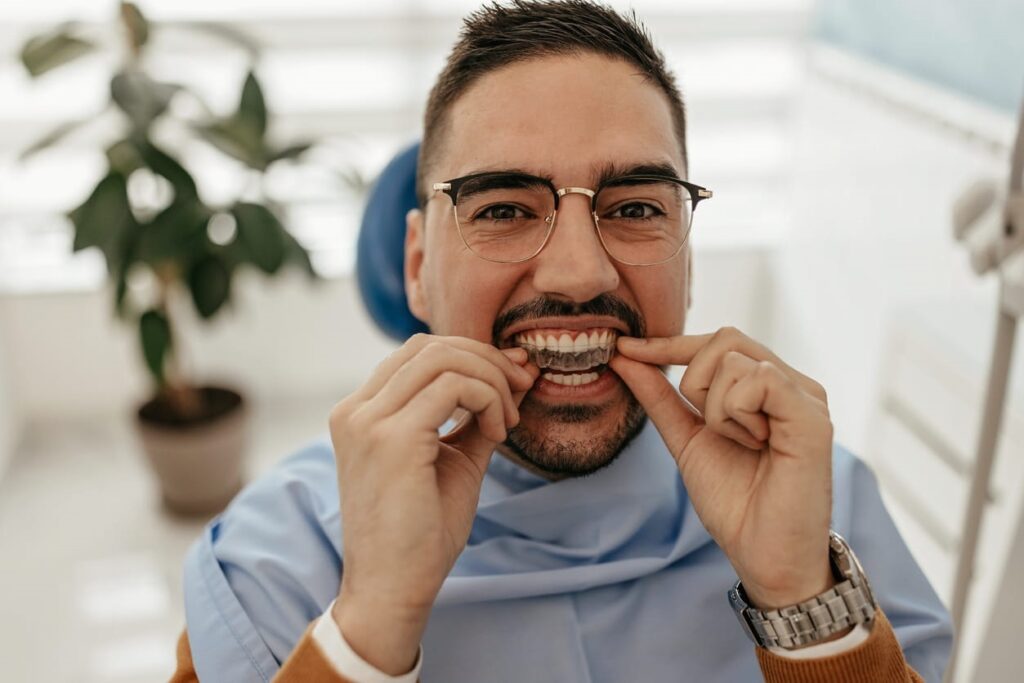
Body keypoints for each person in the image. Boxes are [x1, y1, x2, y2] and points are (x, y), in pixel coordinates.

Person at [170, 1, 953, 681]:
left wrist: (806, 604)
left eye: (636, 208)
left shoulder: (821, 501)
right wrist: (365, 630)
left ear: (686, 259)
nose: (580, 273)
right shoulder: (275, 562)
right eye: (504, 208)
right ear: (417, 266)